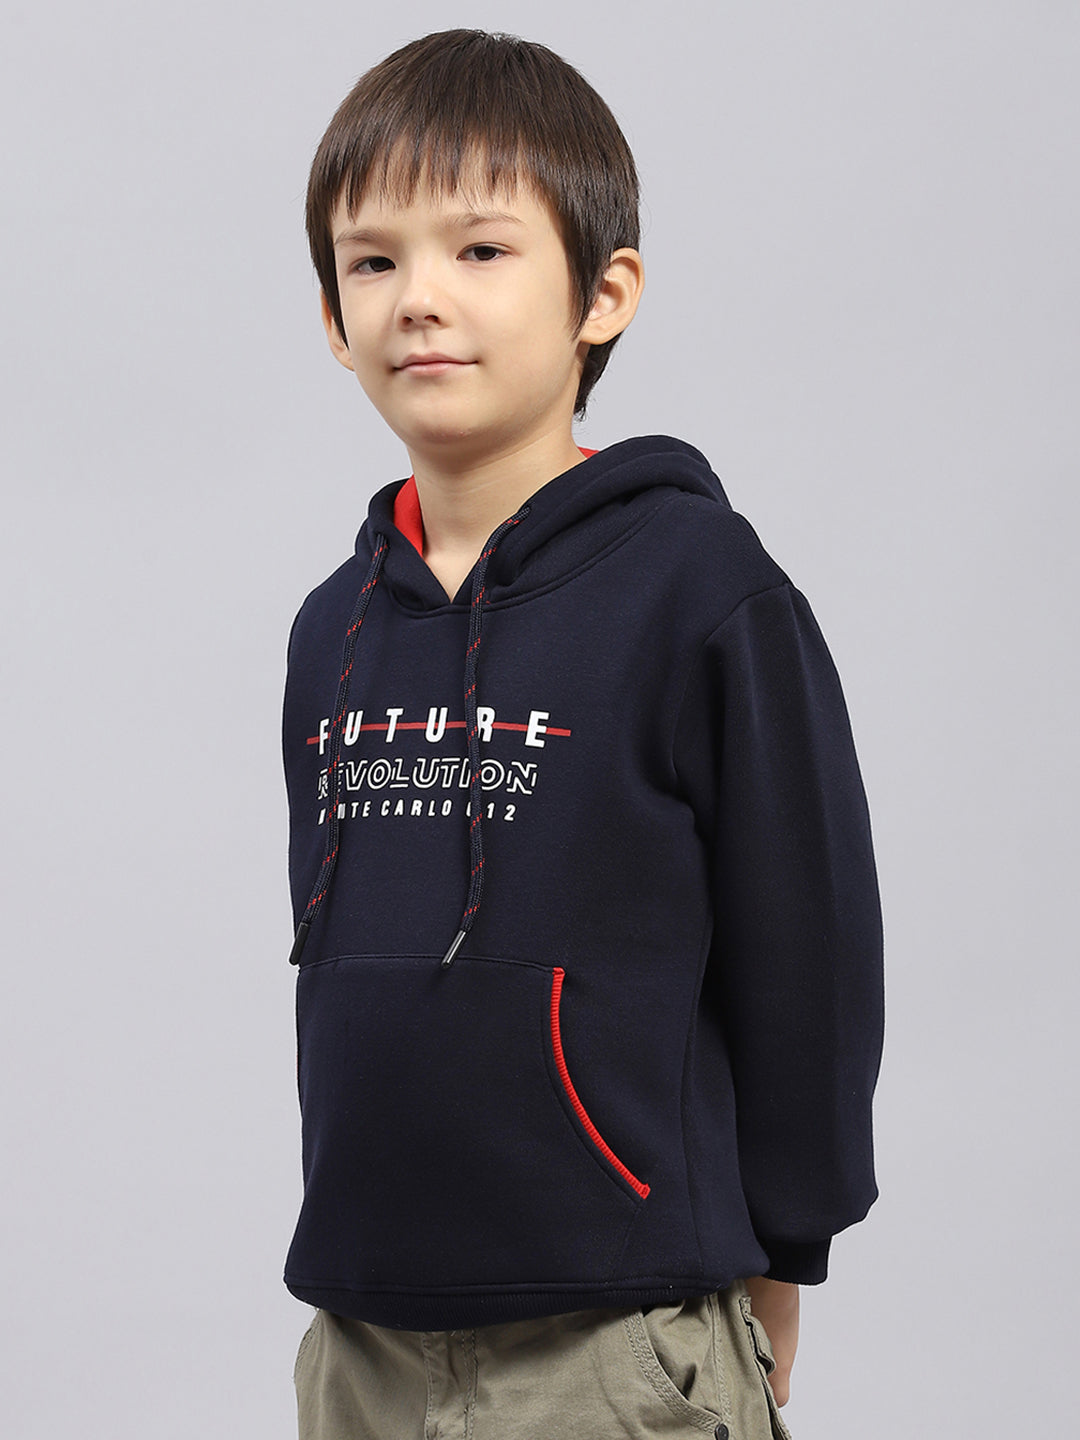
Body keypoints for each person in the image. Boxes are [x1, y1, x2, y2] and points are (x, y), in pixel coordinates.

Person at [282, 29, 884, 1440]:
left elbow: (809, 950)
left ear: (603, 295)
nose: (419, 298)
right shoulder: (333, 628)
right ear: (331, 318)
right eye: (372, 262)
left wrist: (785, 1253)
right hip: (363, 1337)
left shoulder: (702, 591)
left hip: (619, 1335)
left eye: (481, 251)